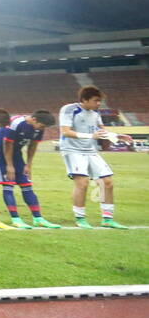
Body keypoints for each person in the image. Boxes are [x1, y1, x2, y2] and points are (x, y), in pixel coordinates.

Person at [59, 86, 127, 229]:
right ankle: (80, 218)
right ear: (84, 99)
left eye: (100, 101)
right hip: (72, 150)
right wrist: (91, 136)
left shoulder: (95, 112)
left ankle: (107, 219)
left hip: (91, 150)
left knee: (107, 182)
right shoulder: (69, 109)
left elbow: (100, 131)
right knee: (82, 183)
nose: (99, 104)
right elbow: (65, 132)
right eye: (96, 100)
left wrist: (116, 136)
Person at [0, 111, 61, 229]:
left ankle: (38, 218)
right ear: (34, 119)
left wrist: (28, 164)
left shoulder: (39, 128)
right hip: (0, 153)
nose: (42, 129)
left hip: (16, 153)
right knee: (8, 185)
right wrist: (9, 166)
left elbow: (33, 145)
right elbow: (7, 145)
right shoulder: (15, 123)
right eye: (42, 126)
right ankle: (16, 219)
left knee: (26, 184)